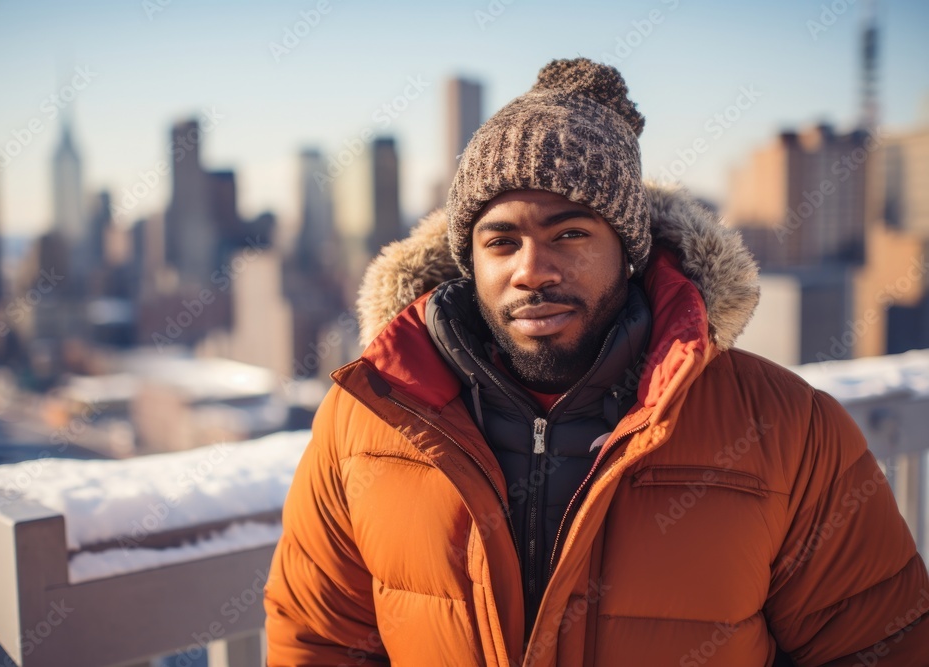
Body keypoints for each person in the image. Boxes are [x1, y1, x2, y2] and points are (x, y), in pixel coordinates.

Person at [264, 58, 929, 666]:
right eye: (502, 240)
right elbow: (318, 643)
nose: (532, 270)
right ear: (471, 261)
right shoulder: (366, 422)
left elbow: (882, 645)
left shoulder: (788, 429)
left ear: (629, 252)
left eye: (570, 234)